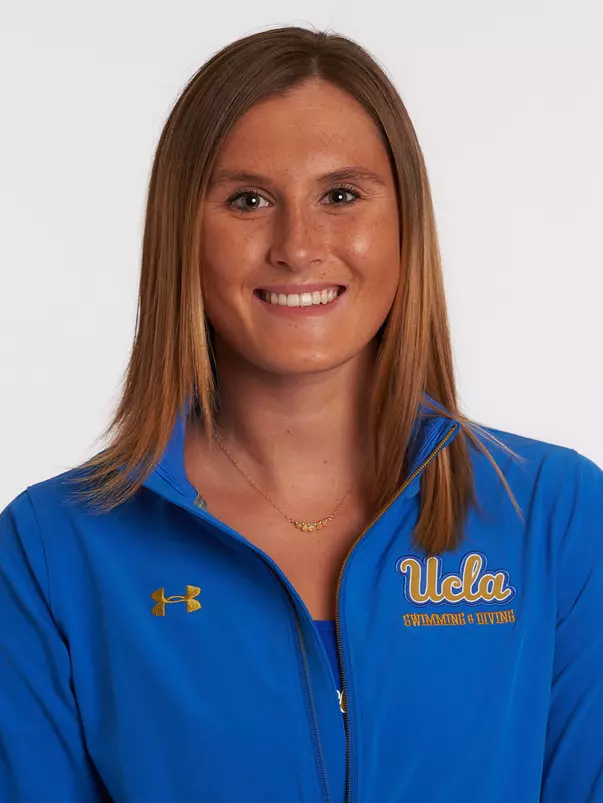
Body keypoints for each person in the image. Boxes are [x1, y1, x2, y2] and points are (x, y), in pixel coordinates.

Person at [0, 24, 601, 803]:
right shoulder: (53, 549)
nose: (298, 245)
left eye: (340, 195)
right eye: (248, 200)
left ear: (403, 224)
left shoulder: (553, 514)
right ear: (183, 234)